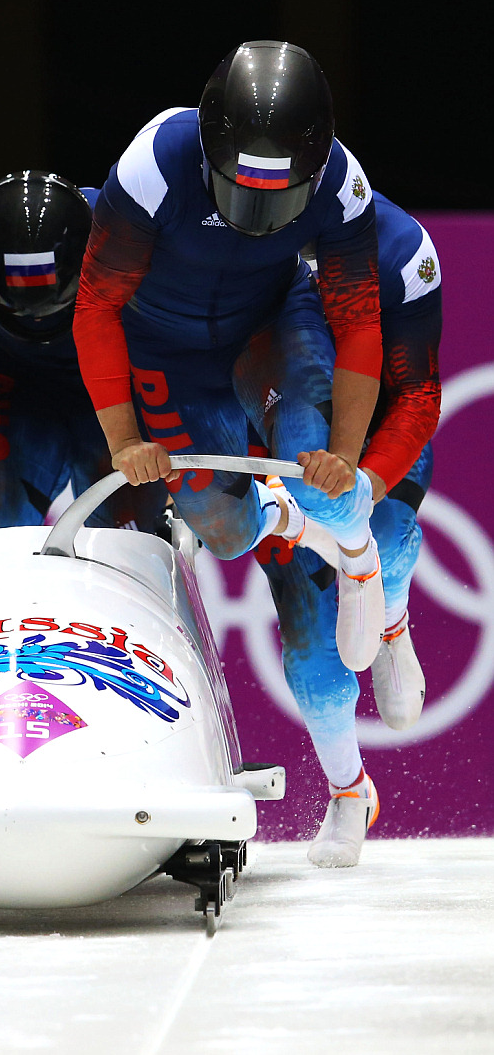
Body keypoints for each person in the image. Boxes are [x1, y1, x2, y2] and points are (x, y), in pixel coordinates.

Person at [72, 41, 386, 821]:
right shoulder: (152, 166)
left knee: (320, 465)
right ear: (212, 151)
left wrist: (346, 458)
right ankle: (297, 522)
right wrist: (122, 442)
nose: (255, 219)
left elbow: (358, 320)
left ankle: (354, 543)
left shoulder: (344, 187)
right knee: (227, 529)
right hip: (168, 352)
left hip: (271, 326)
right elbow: (96, 308)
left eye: (277, 199)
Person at [255, 191, 441, 865]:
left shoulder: (403, 252)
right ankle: (349, 790)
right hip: (285, 410)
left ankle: (389, 616)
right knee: (314, 665)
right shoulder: (240, 243)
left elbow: (418, 393)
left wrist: (371, 478)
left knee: (384, 535)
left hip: (381, 412)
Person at [0, 170, 165, 531]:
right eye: (20, 304)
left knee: (129, 539)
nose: (36, 316)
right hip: (19, 387)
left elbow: (182, 350)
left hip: (118, 392)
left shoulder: (127, 232)